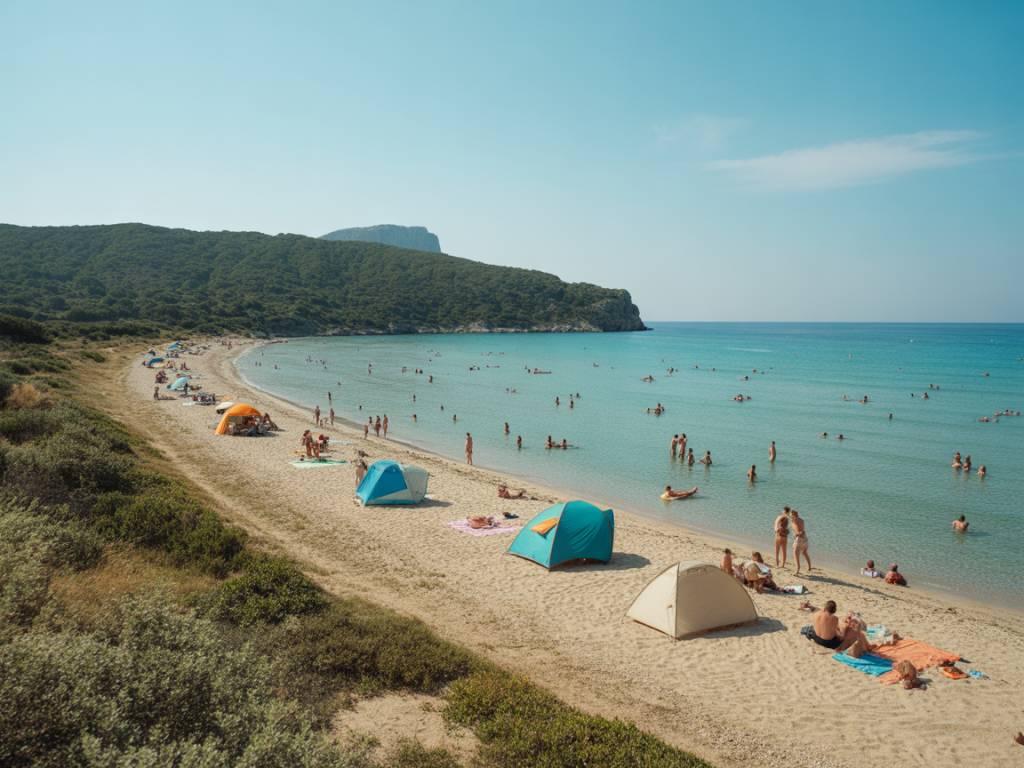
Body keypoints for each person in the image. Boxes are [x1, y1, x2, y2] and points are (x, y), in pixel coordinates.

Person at [790, 508, 811, 574]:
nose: (790, 516)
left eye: (790, 515)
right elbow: (803, 530)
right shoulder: (802, 520)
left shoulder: (794, 521)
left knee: (795, 553)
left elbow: (799, 531)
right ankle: (809, 566)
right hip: (805, 538)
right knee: (804, 552)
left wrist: (795, 534)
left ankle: (797, 569)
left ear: (793, 515)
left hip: (799, 539)